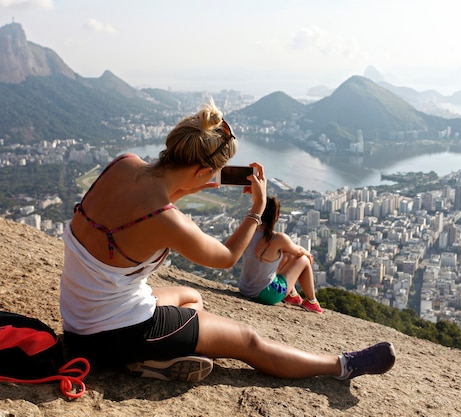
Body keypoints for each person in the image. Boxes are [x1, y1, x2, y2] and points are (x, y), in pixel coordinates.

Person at [59, 100, 395, 383]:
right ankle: (341, 365)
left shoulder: (123, 163)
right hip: (111, 336)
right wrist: (257, 209)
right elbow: (226, 257)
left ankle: (156, 358)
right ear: (204, 171)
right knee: (248, 340)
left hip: (77, 322)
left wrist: (194, 182)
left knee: (191, 297)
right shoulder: (165, 220)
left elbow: (145, 199)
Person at [238, 196, 323, 313]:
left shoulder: (248, 231)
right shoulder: (278, 238)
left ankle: (292, 295)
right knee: (303, 259)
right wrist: (308, 254)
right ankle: (312, 301)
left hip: (244, 288)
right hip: (267, 294)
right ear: (277, 215)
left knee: (287, 255)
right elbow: (299, 252)